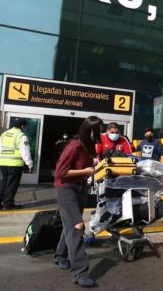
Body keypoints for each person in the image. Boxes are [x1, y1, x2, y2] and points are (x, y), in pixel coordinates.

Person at [53, 116, 103, 288]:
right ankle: (80, 273)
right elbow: (60, 173)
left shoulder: (89, 147)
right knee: (77, 226)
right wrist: (84, 170)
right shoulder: (74, 146)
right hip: (66, 189)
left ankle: (60, 255)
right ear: (88, 130)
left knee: (70, 225)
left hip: (80, 189)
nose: (99, 134)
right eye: (97, 131)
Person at [0, 118, 33, 210]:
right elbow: (25, 151)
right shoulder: (21, 136)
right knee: (12, 184)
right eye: (25, 126)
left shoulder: (4, 134)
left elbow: (0, 149)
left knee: (4, 181)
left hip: (3, 163)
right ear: (22, 126)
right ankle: (8, 204)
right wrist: (29, 164)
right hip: (15, 164)